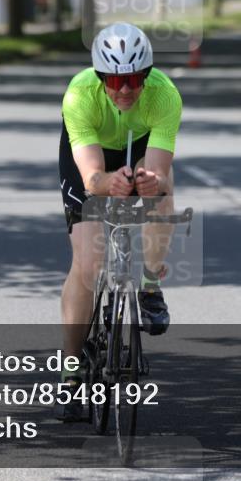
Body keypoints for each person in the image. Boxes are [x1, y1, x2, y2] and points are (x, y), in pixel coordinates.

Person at [55, 22, 183, 421]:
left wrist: (149, 182)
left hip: (140, 148)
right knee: (88, 267)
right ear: (100, 78)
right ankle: (71, 372)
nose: (124, 90)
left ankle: (149, 284)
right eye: (114, 80)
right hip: (90, 159)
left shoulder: (165, 96)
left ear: (146, 76)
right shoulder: (80, 96)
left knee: (162, 195)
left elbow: (159, 172)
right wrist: (108, 183)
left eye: (132, 80)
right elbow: (92, 177)